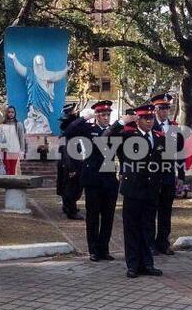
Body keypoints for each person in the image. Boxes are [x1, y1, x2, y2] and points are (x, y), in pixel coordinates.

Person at [104, 103, 164, 278]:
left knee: (147, 227)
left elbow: (163, 161)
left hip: (151, 189)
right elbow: (105, 138)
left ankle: (147, 263)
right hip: (133, 189)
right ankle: (133, 264)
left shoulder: (159, 136)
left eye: (151, 118)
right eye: (145, 118)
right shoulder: (128, 135)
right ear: (138, 119)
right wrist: (121, 122)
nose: (149, 121)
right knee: (131, 228)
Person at [64, 100, 119, 262]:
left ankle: (104, 249)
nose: (106, 117)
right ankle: (93, 250)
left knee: (108, 217)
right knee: (93, 216)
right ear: (96, 115)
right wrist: (82, 118)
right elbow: (68, 131)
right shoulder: (88, 129)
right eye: (102, 114)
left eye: (108, 114)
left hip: (109, 179)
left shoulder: (113, 130)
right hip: (92, 179)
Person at [149, 93, 185, 255]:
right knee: (150, 211)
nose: (164, 111)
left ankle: (163, 242)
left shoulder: (174, 127)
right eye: (161, 108)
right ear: (155, 109)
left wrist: (181, 176)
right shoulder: (149, 126)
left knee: (166, 211)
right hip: (153, 175)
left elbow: (180, 153)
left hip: (169, 175)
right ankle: (150, 243)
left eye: (167, 108)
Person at [57, 104, 84, 220]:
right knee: (72, 187)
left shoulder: (67, 133)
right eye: (74, 111)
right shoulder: (71, 135)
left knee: (66, 186)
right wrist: (72, 168)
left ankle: (67, 206)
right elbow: (69, 153)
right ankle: (71, 210)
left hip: (67, 163)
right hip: (70, 164)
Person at [0, 106, 26, 176]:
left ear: (15, 113)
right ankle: (6, 185)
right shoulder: (2, 125)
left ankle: (11, 185)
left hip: (14, 150)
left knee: (12, 169)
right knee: (6, 168)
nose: (11, 114)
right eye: (9, 112)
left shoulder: (19, 124)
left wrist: (22, 151)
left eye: (12, 112)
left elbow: (21, 138)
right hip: (4, 150)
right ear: (6, 113)